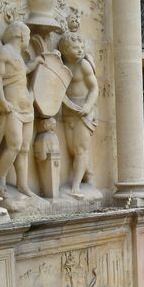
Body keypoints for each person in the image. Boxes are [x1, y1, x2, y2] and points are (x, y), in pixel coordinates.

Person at [0, 21, 43, 197]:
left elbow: (23, 72)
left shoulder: (18, 56)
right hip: (11, 107)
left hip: (26, 108)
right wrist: (2, 101)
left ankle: (22, 184)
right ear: (22, 35)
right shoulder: (3, 52)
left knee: (24, 147)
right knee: (13, 145)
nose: (28, 39)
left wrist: (36, 62)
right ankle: (0, 181)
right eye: (28, 35)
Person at [58, 32, 99, 198]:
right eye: (76, 48)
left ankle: (75, 187)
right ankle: (88, 178)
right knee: (72, 149)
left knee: (80, 149)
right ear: (66, 50)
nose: (80, 50)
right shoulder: (62, 65)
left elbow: (94, 88)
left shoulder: (84, 65)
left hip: (83, 112)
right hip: (69, 111)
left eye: (82, 47)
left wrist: (88, 106)